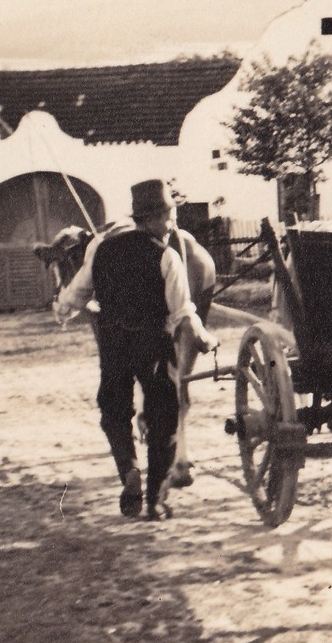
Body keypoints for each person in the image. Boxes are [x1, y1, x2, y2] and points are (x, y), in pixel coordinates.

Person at [54, 179, 218, 520]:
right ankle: (155, 501)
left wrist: (62, 308)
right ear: (154, 218)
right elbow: (183, 312)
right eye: (169, 217)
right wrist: (204, 337)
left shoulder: (101, 249)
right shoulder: (167, 257)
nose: (172, 224)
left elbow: (77, 293)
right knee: (164, 418)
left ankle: (129, 470)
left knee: (114, 412)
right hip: (153, 347)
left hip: (113, 344)